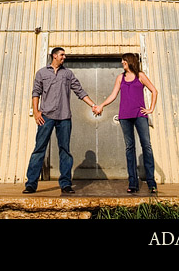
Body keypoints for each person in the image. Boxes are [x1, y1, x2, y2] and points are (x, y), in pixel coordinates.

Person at [23, 47, 99, 194]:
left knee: (65, 150)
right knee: (39, 149)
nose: (64, 57)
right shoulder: (42, 73)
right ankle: (31, 184)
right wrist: (36, 112)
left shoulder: (68, 74)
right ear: (54, 56)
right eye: (62, 55)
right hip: (46, 116)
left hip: (64, 117)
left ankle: (65, 184)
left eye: (64, 55)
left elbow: (79, 91)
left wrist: (93, 105)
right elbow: (36, 93)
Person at [94, 53, 158, 194]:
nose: (122, 62)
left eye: (124, 60)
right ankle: (133, 183)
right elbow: (113, 94)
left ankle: (151, 183)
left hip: (140, 115)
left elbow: (154, 90)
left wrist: (151, 108)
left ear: (130, 61)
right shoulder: (120, 78)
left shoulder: (140, 76)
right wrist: (102, 105)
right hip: (124, 117)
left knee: (146, 146)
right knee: (130, 148)